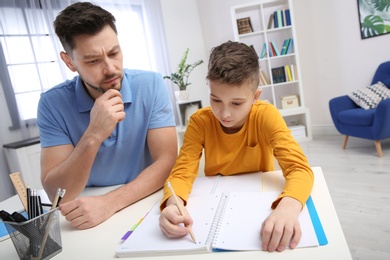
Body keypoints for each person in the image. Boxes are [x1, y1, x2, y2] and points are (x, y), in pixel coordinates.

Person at [159, 41, 314, 252]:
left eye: (236, 103)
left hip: (260, 201)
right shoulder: (199, 122)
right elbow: (182, 173)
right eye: (215, 100)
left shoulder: (265, 115)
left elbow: (300, 169)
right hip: (215, 204)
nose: (224, 114)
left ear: (255, 96)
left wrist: (287, 209)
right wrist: (172, 203)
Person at [37, 2, 177, 229]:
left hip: (144, 200)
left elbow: (167, 161)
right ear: (69, 62)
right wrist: (93, 134)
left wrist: (110, 203)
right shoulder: (52, 103)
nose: (110, 68)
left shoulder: (151, 85)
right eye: (93, 61)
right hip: (85, 209)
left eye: (114, 53)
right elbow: (58, 194)